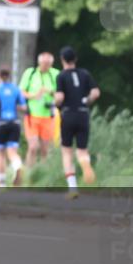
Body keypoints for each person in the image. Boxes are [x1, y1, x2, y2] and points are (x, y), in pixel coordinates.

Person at [54, 46, 100, 199]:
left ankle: (73, 188)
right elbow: (95, 92)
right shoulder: (84, 74)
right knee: (82, 150)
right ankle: (85, 164)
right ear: (75, 59)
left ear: (62, 60)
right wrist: (87, 100)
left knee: (66, 151)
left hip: (67, 115)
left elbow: (60, 98)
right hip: (83, 114)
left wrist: (53, 104)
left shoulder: (61, 76)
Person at [0, 67, 27, 188]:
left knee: (0, 153)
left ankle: (1, 183)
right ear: (9, 76)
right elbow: (24, 108)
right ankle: (17, 166)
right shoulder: (16, 89)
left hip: (1, 123)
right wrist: (15, 106)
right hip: (15, 123)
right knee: (12, 152)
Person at [18, 52, 59, 168]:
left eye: (49, 64)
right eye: (44, 64)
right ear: (39, 62)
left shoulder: (55, 74)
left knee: (46, 150)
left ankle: (44, 176)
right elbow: (21, 91)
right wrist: (34, 96)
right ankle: (29, 172)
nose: (46, 66)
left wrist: (49, 92)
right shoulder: (30, 73)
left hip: (48, 116)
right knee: (33, 147)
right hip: (32, 115)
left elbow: (61, 94)